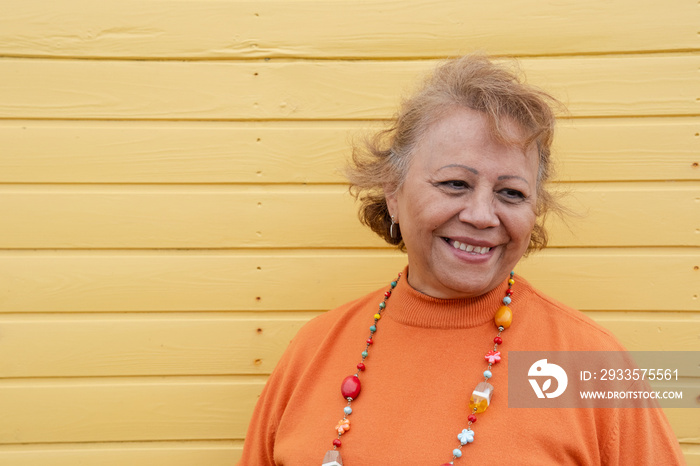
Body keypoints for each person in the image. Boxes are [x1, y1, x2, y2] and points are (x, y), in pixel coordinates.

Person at [238, 55, 685, 465]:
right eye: (454, 183)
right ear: (392, 193)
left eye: (511, 193)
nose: (480, 215)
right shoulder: (313, 351)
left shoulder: (588, 365)